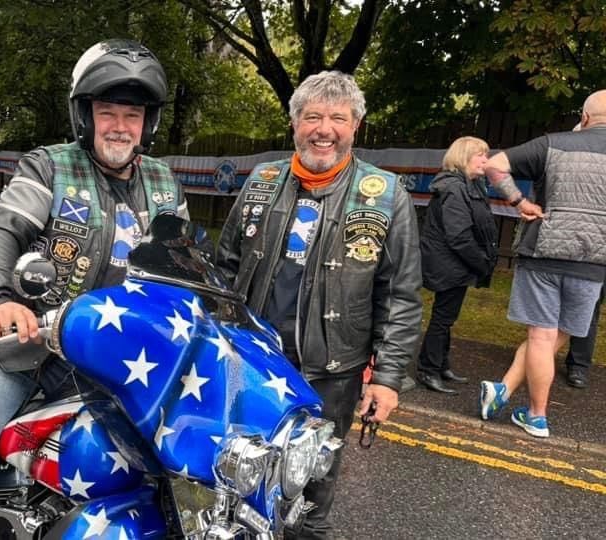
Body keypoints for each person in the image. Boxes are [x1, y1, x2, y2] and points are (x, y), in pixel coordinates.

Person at [0, 39, 188, 539]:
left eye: (133, 114)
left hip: (122, 356)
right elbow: (3, 232)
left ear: (147, 123)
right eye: (108, 112)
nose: (121, 126)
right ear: (85, 115)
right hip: (32, 343)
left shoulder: (164, 184)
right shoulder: (50, 166)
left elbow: (182, 264)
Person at [216, 71, 422, 538]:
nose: (323, 129)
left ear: (356, 126)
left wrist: (387, 379)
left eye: (337, 118)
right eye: (312, 117)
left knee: (309, 490)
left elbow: (401, 295)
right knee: (234, 472)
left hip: (331, 372)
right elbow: (224, 269)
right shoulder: (262, 181)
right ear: (294, 124)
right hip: (250, 360)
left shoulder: (386, 194)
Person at [479, 89, 606, 438]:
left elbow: (494, 164)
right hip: (594, 261)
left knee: (542, 335)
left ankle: (535, 414)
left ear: (583, 118)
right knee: (556, 335)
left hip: (544, 251)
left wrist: (519, 201)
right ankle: (505, 393)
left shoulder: (553, 143)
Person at [416, 136, 499, 394]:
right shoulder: (455, 188)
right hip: (449, 264)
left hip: (454, 264)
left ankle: (440, 364)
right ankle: (428, 369)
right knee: (443, 318)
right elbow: (459, 235)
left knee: (446, 317)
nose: (485, 160)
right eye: (480, 155)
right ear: (463, 157)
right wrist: (482, 263)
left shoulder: (468, 186)